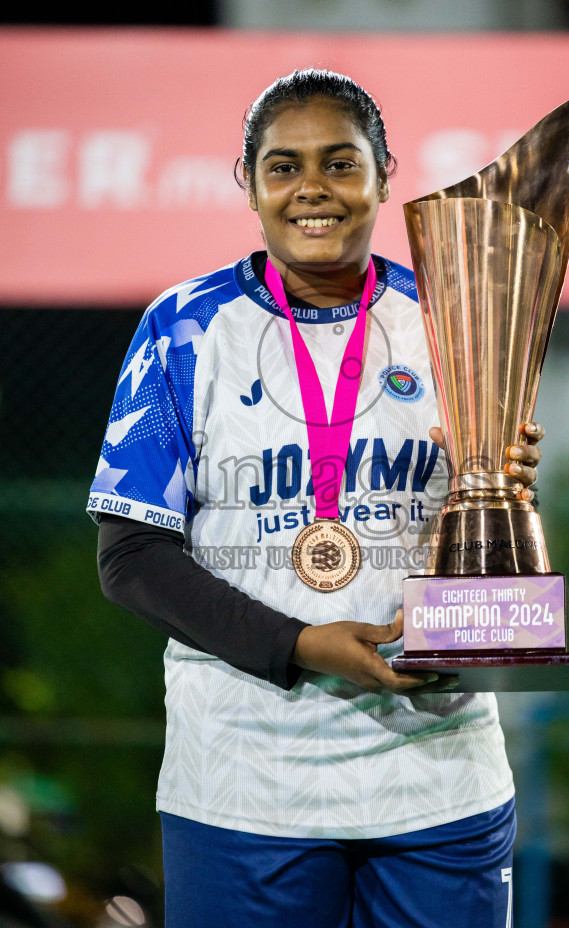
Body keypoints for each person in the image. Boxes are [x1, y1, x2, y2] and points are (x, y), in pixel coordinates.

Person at [89, 69, 543, 928]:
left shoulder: (453, 317)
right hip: (245, 784)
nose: (312, 190)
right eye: (282, 166)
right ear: (248, 184)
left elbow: (483, 517)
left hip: (435, 770)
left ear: (382, 173)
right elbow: (133, 560)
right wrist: (301, 644)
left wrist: (498, 488)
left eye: (339, 164)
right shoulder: (184, 328)